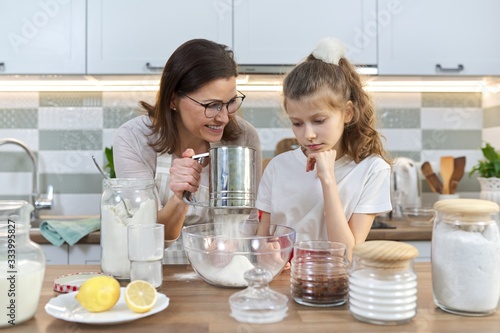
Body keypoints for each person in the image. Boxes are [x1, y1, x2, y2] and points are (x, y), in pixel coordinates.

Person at [113, 39, 262, 263]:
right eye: (211, 105)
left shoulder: (244, 137)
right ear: (173, 99)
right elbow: (146, 235)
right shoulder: (134, 139)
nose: (223, 117)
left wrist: (228, 259)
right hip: (153, 276)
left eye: (230, 102)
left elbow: (248, 221)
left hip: (223, 272)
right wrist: (180, 198)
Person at [256, 37, 391, 258]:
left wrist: (327, 179)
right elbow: (262, 242)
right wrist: (266, 254)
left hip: (337, 286)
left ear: (347, 113)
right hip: (282, 285)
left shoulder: (371, 170)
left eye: (319, 121)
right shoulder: (277, 167)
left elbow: (346, 255)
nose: (308, 134)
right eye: (297, 123)